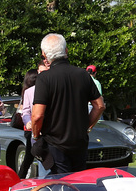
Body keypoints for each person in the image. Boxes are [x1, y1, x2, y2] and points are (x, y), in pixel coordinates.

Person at [31, 33, 106, 173]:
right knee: (79, 183)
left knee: (61, 186)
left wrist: (36, 136)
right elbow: (100, 105)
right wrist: (87, 126)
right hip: (79, 141)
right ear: (66, 51)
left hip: (55, 143)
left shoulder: (44, 78)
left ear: (45, 55)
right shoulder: (83, 74)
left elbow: (37, 115)